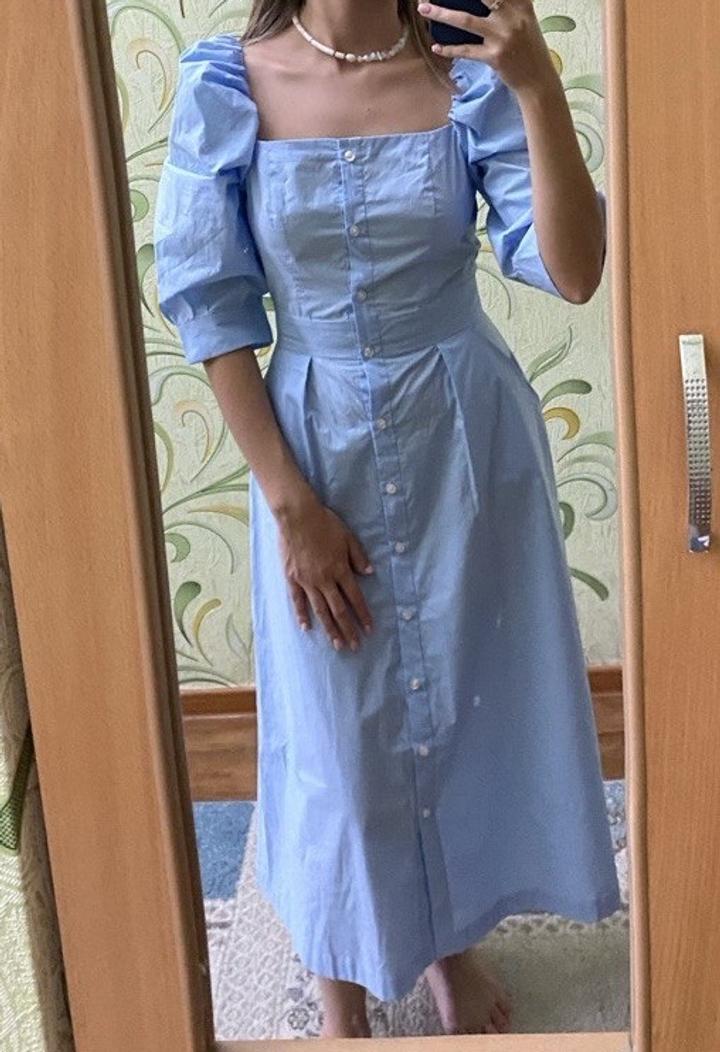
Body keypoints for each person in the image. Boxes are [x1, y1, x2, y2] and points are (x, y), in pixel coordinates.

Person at [154, 0, 622, 1038]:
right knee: (338, 730)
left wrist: (538, 87)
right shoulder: (230, 84)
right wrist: (290, 502)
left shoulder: (471, 73)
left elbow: (576, 269)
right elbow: (211, 307)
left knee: (458, 699)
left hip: (464, 437)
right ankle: (341, 998)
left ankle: (449, 940)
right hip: (312, 446)